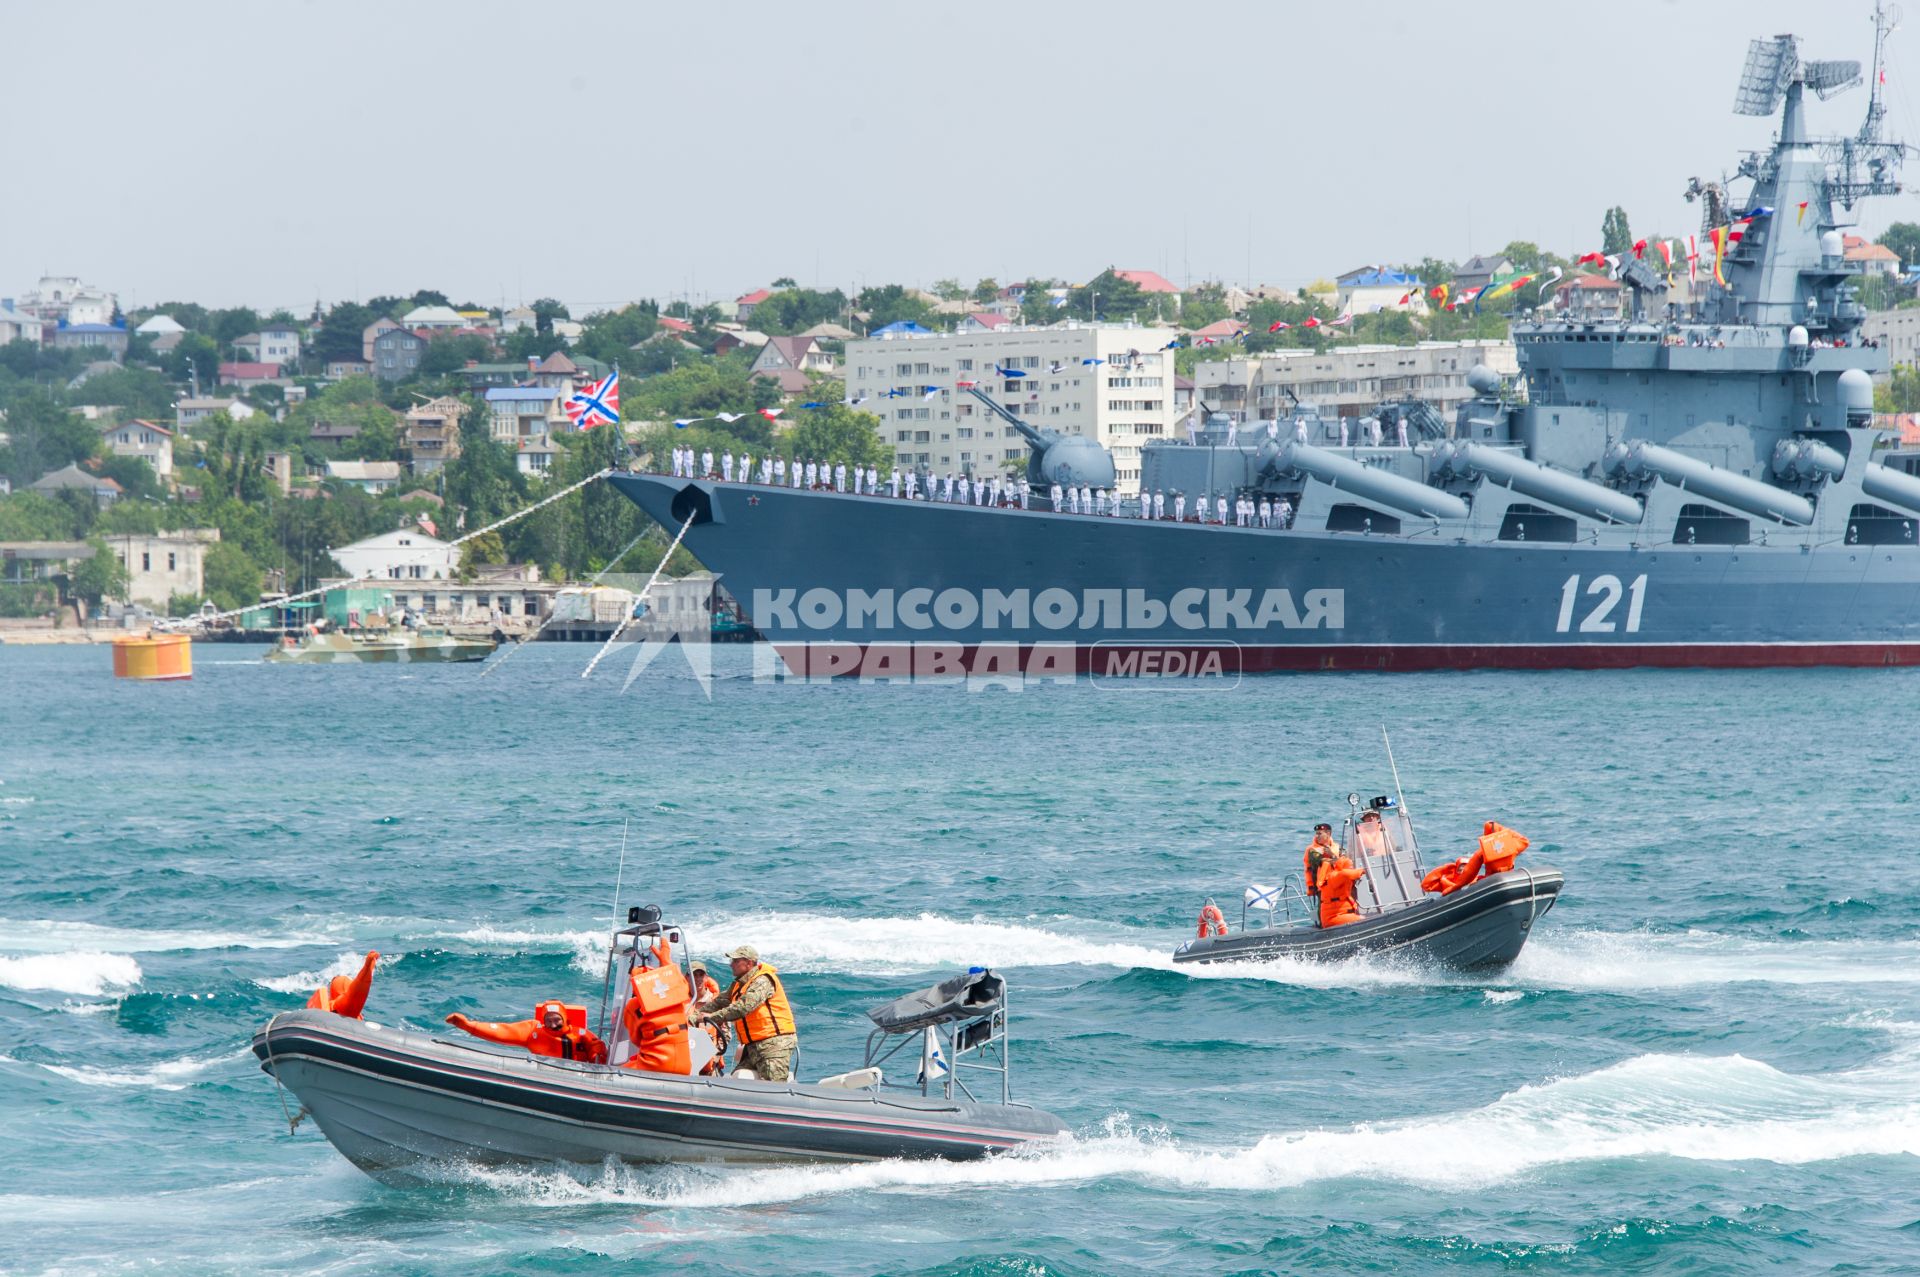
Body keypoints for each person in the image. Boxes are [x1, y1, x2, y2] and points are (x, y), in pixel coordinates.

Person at [692, 944, 797, 1082]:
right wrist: (693, 1016)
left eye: (735, 961)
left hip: (773, 1045)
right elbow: (719, 1002)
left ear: (749, 963)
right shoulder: (738, 985)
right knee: (736, 1082)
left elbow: (743, 1007)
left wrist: (711, 1018)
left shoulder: (763, 980)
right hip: (753, 1047)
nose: (731, 964)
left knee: (774, 1089)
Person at [445, 999, 608, 1063]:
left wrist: (597, 1055)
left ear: (565, 1019)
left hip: (578, 1076)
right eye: (548, 1020)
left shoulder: (580, 1034)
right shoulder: (533, 1032)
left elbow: (596, 1045)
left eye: (556, 1020)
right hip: (546, 1075)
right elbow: (502, 1031)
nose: (552, 1024)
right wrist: (467, 1025)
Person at [306, 950, 379, 1018]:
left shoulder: (335, 1005)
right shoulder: (343, 1007)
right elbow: (358, 989)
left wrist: (369, 965)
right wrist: (368, 965)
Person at [688, 960, 727, 1074]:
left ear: (706, 978)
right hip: (686, 1059)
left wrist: (716, 1056)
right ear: (687, 978)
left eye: (701, 975)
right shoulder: (682, 1003)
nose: (698, 978)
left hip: (709, 1063)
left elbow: (725, 1034)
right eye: (694, 975)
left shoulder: (716, 1002)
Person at [1316, 853, 1367, 928]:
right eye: (1350, 866)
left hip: (1341, 915)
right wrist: (1364, 870)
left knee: (1361, 918)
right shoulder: (1334, 876)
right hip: (1333, 918)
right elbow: (1346, 874)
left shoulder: (1335, 877)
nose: (1351, 867)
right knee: (1362, 920)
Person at [1302, 823, 1339, 908]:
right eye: (1316, 833)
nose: (1317, 836)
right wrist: (1334, 858)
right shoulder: (1312, 850)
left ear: (1328, 834)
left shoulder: (1337, 848)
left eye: (1320, 833)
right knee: (1323, 909)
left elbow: (1346, 861)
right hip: (1321, 887)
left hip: (1337, 883)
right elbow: (1321, 861)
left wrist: (1332, 854)